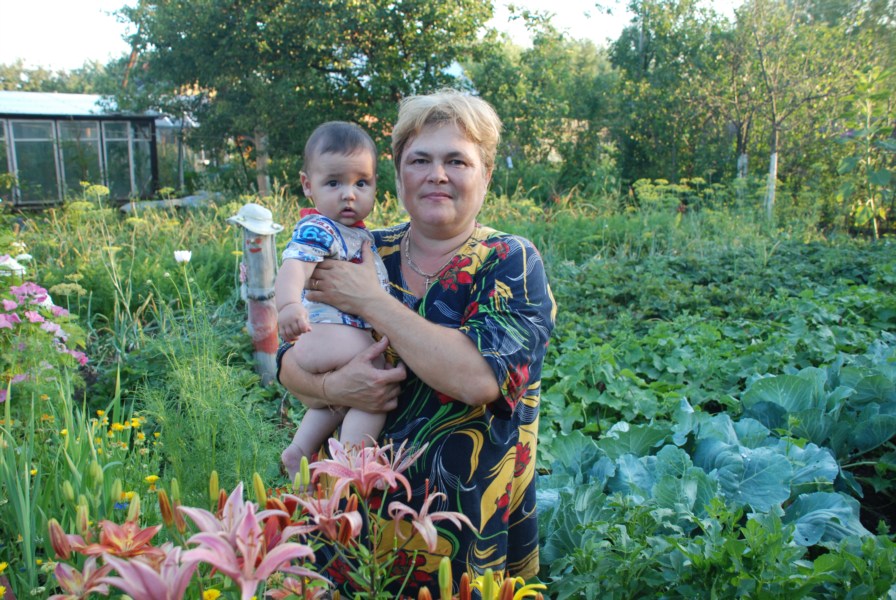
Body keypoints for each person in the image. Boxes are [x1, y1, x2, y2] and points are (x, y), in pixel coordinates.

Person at [277, 90, 556, 594]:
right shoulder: (360, 246)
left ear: (486, 174)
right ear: (398, 173)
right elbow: (290, 362)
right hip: (345, 521)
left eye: (457, 161)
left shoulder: (510, 262)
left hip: (459, 531)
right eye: (420, 160)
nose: (437, 175)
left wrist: (371, 301)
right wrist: (339, 389)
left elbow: (478, 378)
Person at [275, 121, 390, 480]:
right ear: (308, 185)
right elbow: (295, 266)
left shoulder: (355, 233)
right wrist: (288, 306)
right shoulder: (320, 228)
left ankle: (299, 450)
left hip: (332, 339)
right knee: (376, 380)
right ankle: (352, 465)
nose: (349, 195)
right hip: (326, 334)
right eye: (334, 183)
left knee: (341, 398)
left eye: (361, 183)